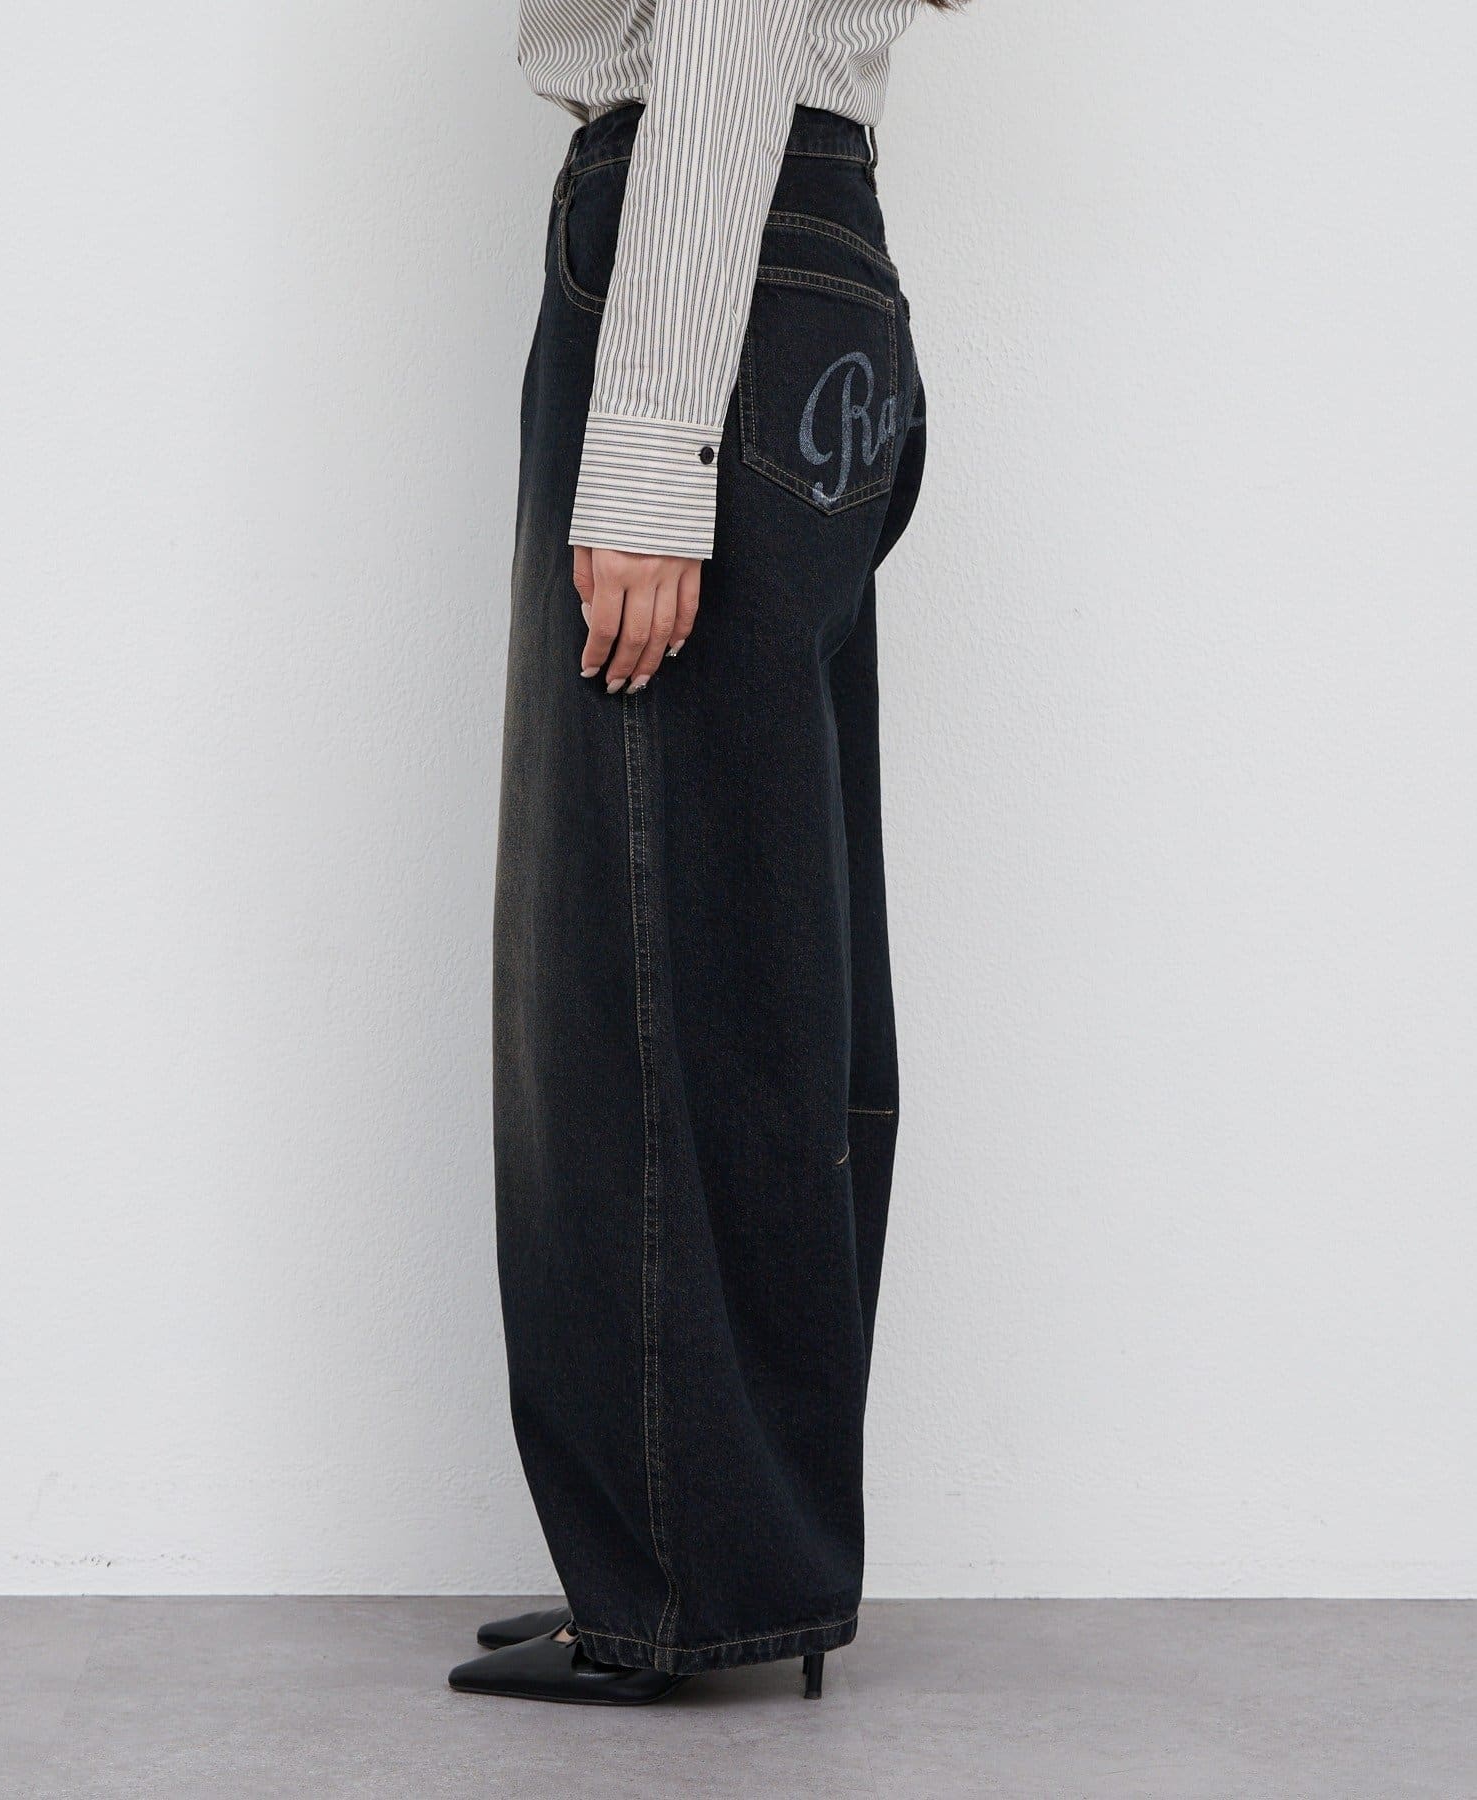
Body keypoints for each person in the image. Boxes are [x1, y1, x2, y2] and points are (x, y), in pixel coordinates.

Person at [450, 0, 947, 1708]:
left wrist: (657, 440)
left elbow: (726, 26)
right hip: (799, 253)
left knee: (640, 964)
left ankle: (680, 1586)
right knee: (756, 949)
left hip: (700, 245)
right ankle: (734, 1561)